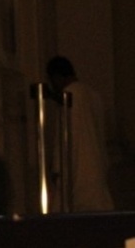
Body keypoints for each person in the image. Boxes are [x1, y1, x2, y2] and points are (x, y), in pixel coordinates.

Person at [46, 55, 115, 212]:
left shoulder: (68, 97)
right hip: (97, 168)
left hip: (77, 169)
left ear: (56, 78)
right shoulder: (94, 96)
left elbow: (64, 138)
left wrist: (57, 167)